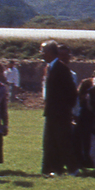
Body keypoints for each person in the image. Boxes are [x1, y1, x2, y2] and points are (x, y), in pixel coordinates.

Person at [40, 41, 76, 176]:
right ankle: (53, 169)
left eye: (43, 51)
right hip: (51, 111)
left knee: (63, 141)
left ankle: (73, 169)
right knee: (50, 142)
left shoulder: (61, 68)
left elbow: (72, 92)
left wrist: (64, 109)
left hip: (60, 112)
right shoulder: (50, 68)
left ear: (50, 52)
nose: (42, 54)